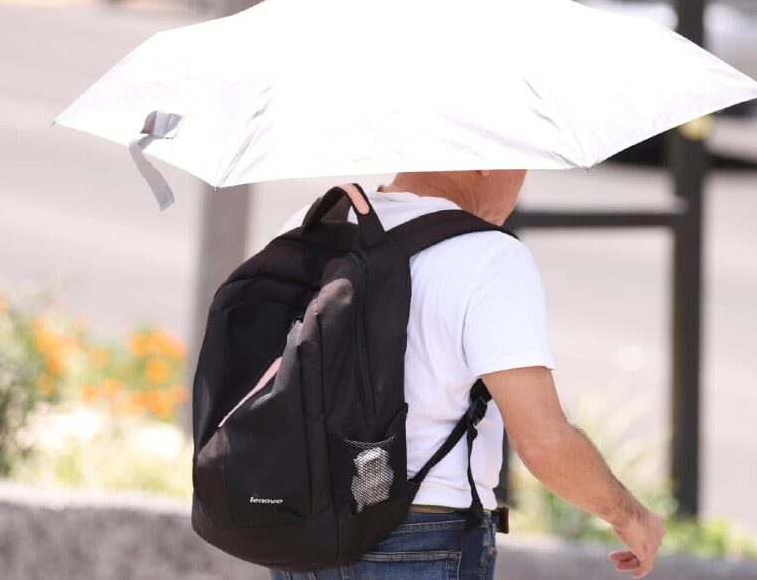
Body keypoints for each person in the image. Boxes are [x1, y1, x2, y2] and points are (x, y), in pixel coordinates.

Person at [270, 170, 665, 580]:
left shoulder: (314, 224)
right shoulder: (487, 255)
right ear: (488, 161)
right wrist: (630, 516)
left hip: (302, 527)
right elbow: (543, 441)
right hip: (420, 536)